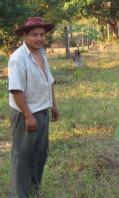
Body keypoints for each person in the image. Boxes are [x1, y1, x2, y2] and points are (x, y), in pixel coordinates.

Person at [7, 17, 59, 198]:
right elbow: (16, 90)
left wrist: (54, 105)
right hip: (25, 115)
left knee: (40, 154)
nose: (39, 38)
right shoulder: (18, 58)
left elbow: (49, 81)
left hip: (43, 111)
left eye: (42, 35)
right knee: (22, 156)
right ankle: (17, 194)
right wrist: (29, 116)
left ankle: (33, 191)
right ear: (24, 35)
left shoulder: (41, 53)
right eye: (34, 35)